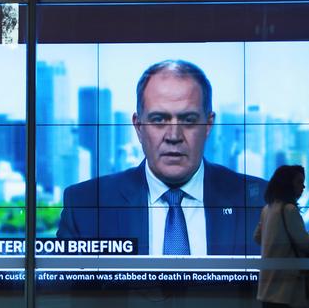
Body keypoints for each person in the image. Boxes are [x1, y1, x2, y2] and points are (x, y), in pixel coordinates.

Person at [57, 59, 266, 255]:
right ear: (138, 127)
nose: (173, 136)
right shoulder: (86, 206)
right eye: (159, 120)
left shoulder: (262, 202)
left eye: (188, 120)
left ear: (208, 124)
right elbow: (67, 294)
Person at [254, 165, 309, 308]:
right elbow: (306, 243)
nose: (303, 186)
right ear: (288, 184)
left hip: (267, 287)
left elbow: (257, 237)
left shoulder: (267, 209)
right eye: (299, 182)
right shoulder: (289, 210)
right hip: (285, 289)